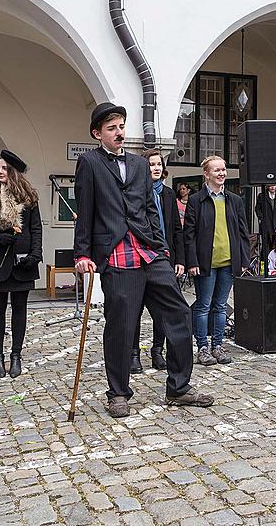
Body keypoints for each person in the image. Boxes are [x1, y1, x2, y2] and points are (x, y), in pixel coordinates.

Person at [74, 102, 213, 418]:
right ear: (98, 133)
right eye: (111, 128)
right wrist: (82, 254)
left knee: (179, 312)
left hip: (150, 251)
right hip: (116, 253)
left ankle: (178, 387)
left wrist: (162, 247)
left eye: (121, 126)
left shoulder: (139, 165)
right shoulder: (90, 163)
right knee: (121, 325)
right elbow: (85, 212)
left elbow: (150, 208)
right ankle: (119, 392)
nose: (119, 132)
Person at [0, 150, 42, 379]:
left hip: (23, 262)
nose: (0, 172)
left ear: (14, 172)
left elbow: (36, 229)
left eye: (5, 168)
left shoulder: (29, 198)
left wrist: (35, 254)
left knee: (20, 310)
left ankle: (16, 356)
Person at [185, 155, 250, 366]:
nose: (222, 173)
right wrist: (191, 261)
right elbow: (189, 235)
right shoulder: (196, 200)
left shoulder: (235, 200)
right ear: (206, 174)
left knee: (221, 306)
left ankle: (218, 345)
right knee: (204, 305)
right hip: (205, 263)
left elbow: (243, 233)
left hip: (229, 262)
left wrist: (243, 260)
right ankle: (203, 347)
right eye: (216, 170)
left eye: (223, 169)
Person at [131, 149, 185, 372]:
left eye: (158, 164)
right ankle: (133, 354)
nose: (156, 167)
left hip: (164, 257)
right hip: (140, 257)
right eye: (151, 163)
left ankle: (157, 351)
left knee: (163, 310)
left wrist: (179, 259)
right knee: (135, 309)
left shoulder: (169, 194)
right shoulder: (134, 192)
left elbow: (176, 230)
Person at [255, 184, 276, 274]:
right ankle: (263, 269)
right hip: (266, 224)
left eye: (274, 185)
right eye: (271, 185)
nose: (272, 187)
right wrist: (261, 218)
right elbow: (257, 209)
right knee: (265, 247)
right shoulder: (262, 195)